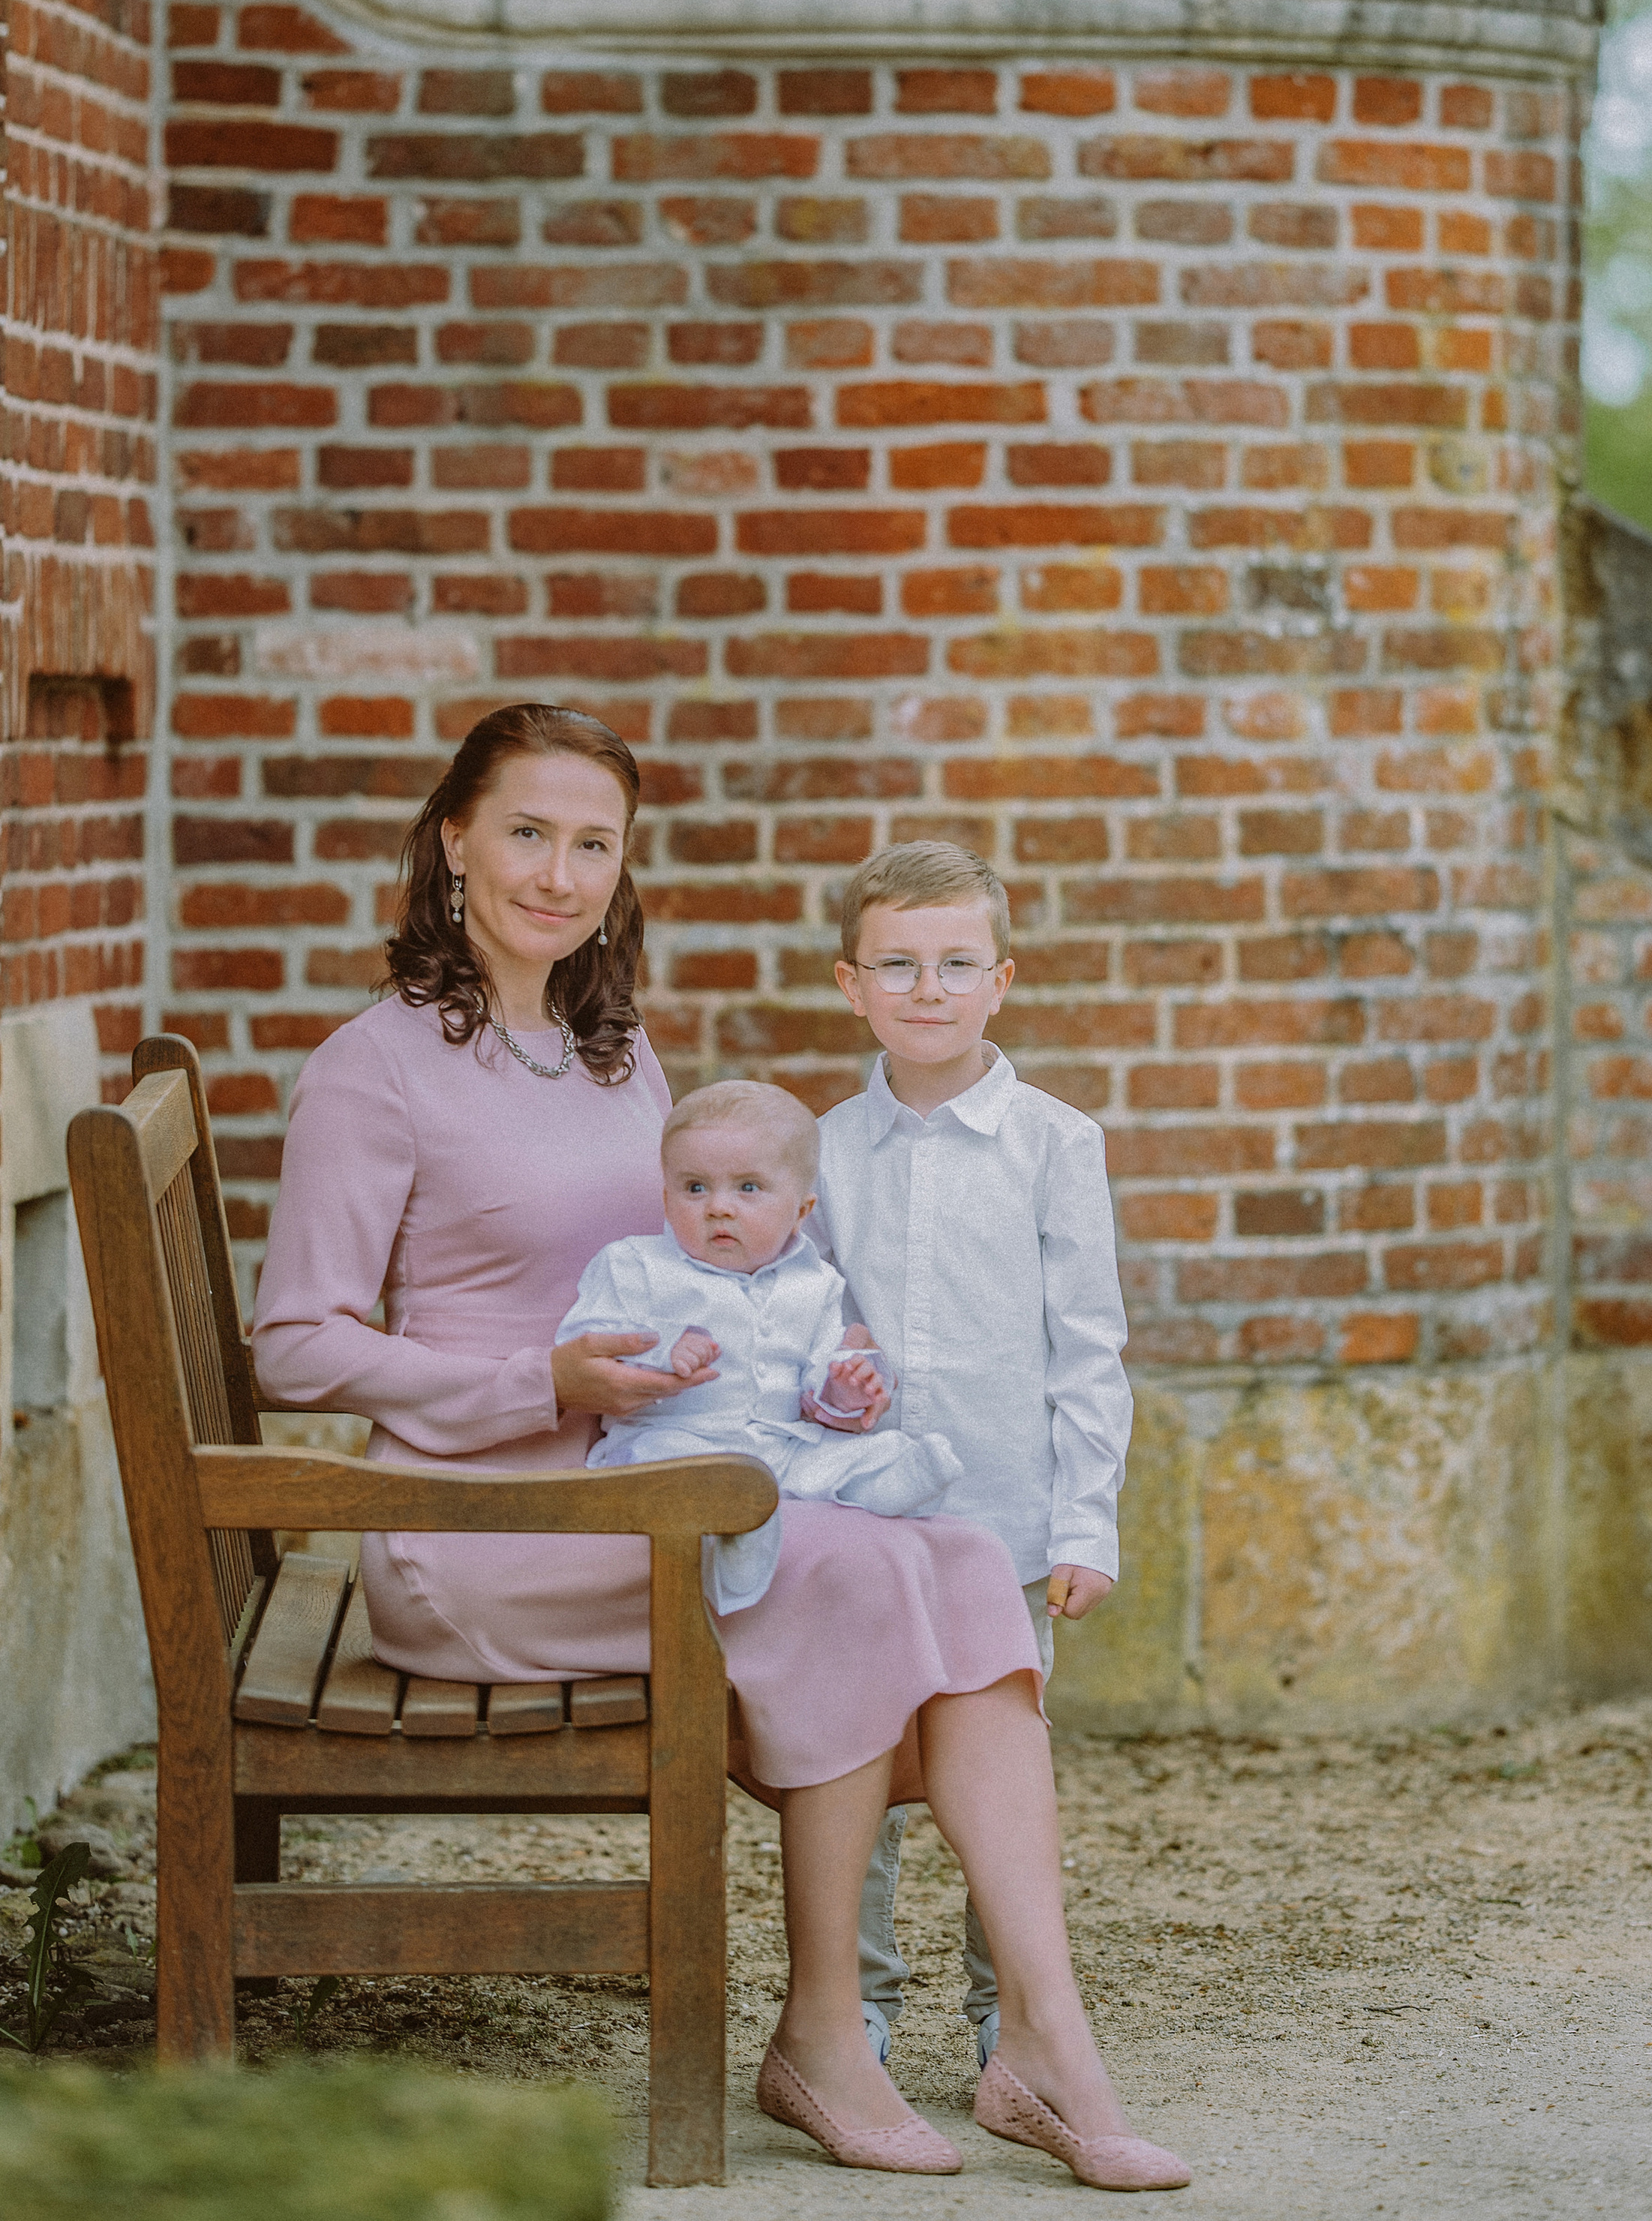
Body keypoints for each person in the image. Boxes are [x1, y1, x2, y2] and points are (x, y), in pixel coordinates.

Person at [250, 703, 1187, 2189]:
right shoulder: (379, 1068)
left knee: (952, 1560)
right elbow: (295, 1341)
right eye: (526, 832)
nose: (557, 871)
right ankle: (829, 2036)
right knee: (863, 1573)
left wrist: (817, 1374)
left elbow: (711, 1283)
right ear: (453, 842)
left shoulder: (612, 1053)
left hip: (644, 1487)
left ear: (620, 872)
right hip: (484, 1531)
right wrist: (537, 1380)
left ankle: (1042, 2044)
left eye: (593, 844)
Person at [813, 840, 1133, 2072]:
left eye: (955, 962)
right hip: (866, 1532)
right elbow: (803, 1324)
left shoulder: (1057, 1142)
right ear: (853, 983)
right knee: (865, 1769)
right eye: (898, 963)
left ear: (1002, 979)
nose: (927, 987)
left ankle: (1014, 2023)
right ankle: (861, 2013)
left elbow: (1088, 1344)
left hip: (1005, 1519)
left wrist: (1083, 1521)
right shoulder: (828, 1150)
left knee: (1003, 1785)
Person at [555, 1077, 961, 1611]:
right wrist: (661, 1350)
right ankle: (737, 1533)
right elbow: (583, 1344)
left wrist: (844, 1389)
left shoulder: (816, 1285)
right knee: (699, 1478)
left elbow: (816, 1393)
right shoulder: (634, 1265)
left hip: (776, 1443)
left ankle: (890, 1479)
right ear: (666, 1195)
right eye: (695, 1187)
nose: (718, 1207)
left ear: (799, 1210)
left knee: (855, 1453)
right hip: (671, 1442)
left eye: (748, 1188)